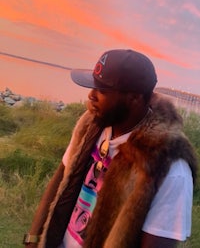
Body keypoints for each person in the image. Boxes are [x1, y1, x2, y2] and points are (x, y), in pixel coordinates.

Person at [23, 49, 197, 248]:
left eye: (102, 91)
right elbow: (61, 179)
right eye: (93, 86)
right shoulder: (91, 125)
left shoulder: (169, 170)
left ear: (134, 98)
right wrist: (34, 239)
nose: (91, 96)